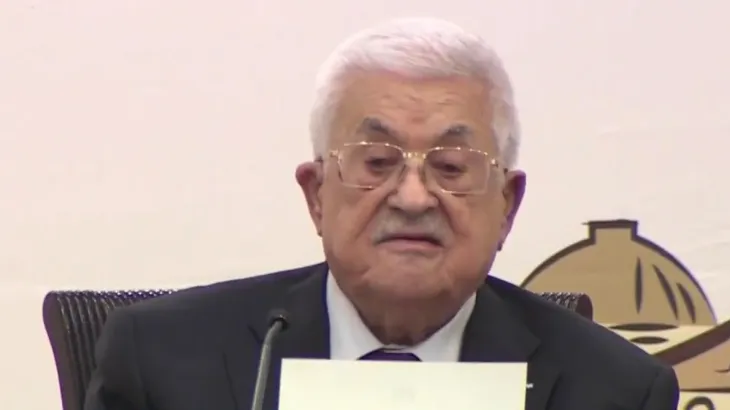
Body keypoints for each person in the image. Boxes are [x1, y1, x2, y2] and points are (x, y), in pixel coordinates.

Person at [84, 17, 679, 410]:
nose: (413, 198)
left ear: (507, 205)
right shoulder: (161, 362)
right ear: (316, 194)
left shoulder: (615, 391)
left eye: (451, 166)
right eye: (376, 162)